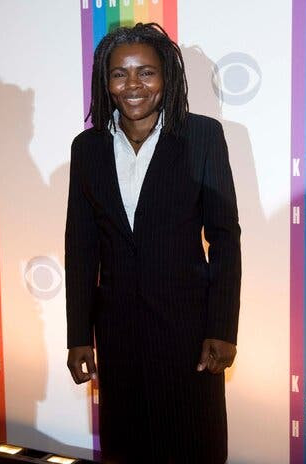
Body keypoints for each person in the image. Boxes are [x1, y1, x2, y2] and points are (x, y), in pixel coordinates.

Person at [65, 22, 241, 464]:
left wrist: (221, 328)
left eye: (146, 72)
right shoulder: (87, 149)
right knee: (126, 448)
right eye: (120, 74)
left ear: (167, 77)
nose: (133, 86)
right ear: (105, 82)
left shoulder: (202, 136)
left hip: (188, 334)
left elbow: (224, 238)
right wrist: (78, 335)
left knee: (192, 445)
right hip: (117, 334)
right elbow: (81, 247)